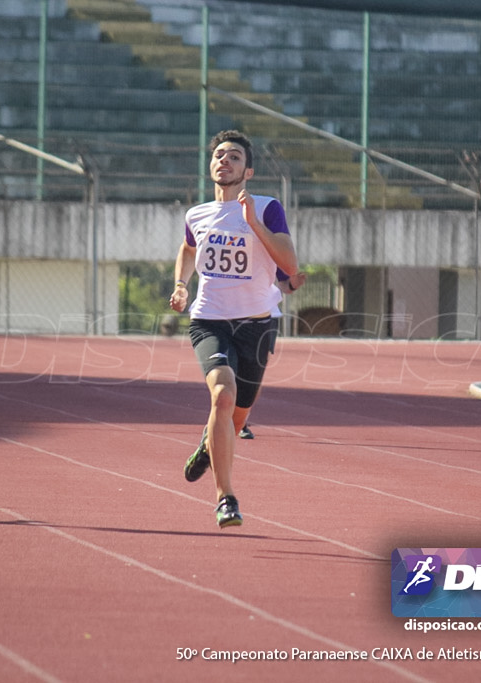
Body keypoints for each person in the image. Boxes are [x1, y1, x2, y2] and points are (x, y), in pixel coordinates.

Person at [169, 130, 306, 528]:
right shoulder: (197, 214)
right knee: (222, 396)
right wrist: (181, 284)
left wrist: (253, 224)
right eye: (219, 155)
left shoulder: (266, 208)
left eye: (233, 156)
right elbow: (189, 248)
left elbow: (291, 265)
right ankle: (225, 498)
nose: (224, 161)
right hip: (209, 319)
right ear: (211, 165)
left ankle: (209, 445)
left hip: (258, 325)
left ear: (248, 170)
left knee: (237, 418)